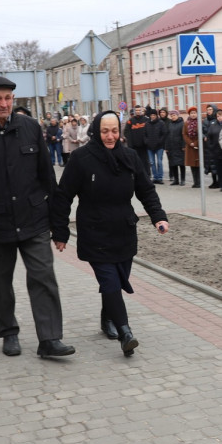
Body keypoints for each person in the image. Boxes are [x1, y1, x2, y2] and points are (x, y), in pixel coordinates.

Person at [0, 76, 74, 359]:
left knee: (44, 277)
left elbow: (48, 179)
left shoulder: (30, 128)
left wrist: (59, 227)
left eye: (8, 98)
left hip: (34, 219)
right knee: (0, 281)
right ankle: (9, 333)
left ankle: (50, 339)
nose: (4, 104)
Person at [52, 112, 168, 356]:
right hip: (94, 229)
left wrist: (158, 216)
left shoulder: (129, 156)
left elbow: (145, 190)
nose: (110, 136)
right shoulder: (81, 158)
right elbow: (63, 196)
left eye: (114, 131)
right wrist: (60, 231)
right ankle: (125, 332)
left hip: (124, 228)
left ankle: (107, 320)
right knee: (110, 280)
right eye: (105, 131)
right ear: (96, 130)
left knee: (117, 278)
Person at [144, 108, 167, 183]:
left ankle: (160, 177)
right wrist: (146, 142)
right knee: (152, 162)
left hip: (159, 146)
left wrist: (160, 141)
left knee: (159, 162)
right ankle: (155, 177)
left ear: (156, 115)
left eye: (154, 115)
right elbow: (144, 135)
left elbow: (164, 134)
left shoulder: (161, 123)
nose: (153, 116)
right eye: (151, 115)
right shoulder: (147, 124)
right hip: (149, 147)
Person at [164, 109, 187, 185]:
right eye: (171, 115)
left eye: (174, 115)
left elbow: (184, 135)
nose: (173, 117)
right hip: (171, 147)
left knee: (181, 164)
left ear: (177, 115)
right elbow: (167, 136)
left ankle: (183, 180)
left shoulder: (182, 124)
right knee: (173, 164)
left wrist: (184, 145)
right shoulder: (169, 124)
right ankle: (176, 180)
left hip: (180, 147)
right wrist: (166, 147)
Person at [183, 106, 203, 188]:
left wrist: (196, 143)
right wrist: (190, 143)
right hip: (190, 147)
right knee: (192, 165)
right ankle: (195, 182)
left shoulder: (200, 122)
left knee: (198, 165)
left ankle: (199, 182)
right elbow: (184, 134)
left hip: (198, 146)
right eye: (192, 113)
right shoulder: (186, 123)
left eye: (195, 113)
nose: (193, 115)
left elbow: (202, 133)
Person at [204, 107, 222, 189]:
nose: (219, 117)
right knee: (214, 167)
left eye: (221, 116)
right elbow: (209, 136)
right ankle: (215, 182)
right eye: (218, 116)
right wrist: (210, 146)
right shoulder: (213, 125)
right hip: (214, 149)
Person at [125, 105, 149, 170]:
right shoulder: (130, 121)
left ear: (141, 111)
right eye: (136, 110)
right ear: (134, 111)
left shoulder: (146, 120)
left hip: (144, 145)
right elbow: (127, 132)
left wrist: (147, 141)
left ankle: (147, 175)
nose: (138, 112)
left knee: (145, 162)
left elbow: (149, 131)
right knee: (135, 161)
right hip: (134, 146)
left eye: (139, 110)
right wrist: (130, 143)